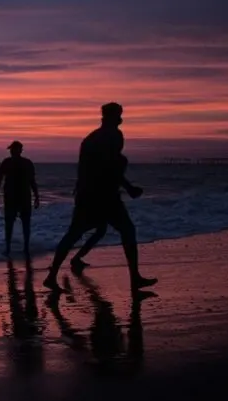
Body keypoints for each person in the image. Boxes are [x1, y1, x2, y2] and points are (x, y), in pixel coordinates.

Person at [42, 103, 157, 291]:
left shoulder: (91, 138)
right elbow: (109, 166)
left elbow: (94, 167)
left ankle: (52, 275)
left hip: (88, 193)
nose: (121, 118)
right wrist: (129, 188)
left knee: (75, 234)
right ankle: (134, 278)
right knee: (125, 230)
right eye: (119, 115)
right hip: (102, 195)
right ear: (112, 117)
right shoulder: (111, 136)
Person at [0, 140, 40, 257]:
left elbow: (32, 181)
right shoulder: (7, 162)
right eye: (11, 150)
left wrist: (37, 196)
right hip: (11, 196)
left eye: (14, 149)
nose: (12, 152)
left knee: (24, 223)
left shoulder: (26, 163)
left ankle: (25, 248)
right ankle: (9, 248)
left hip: (22, 196)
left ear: (20, 150)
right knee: (10, 223)